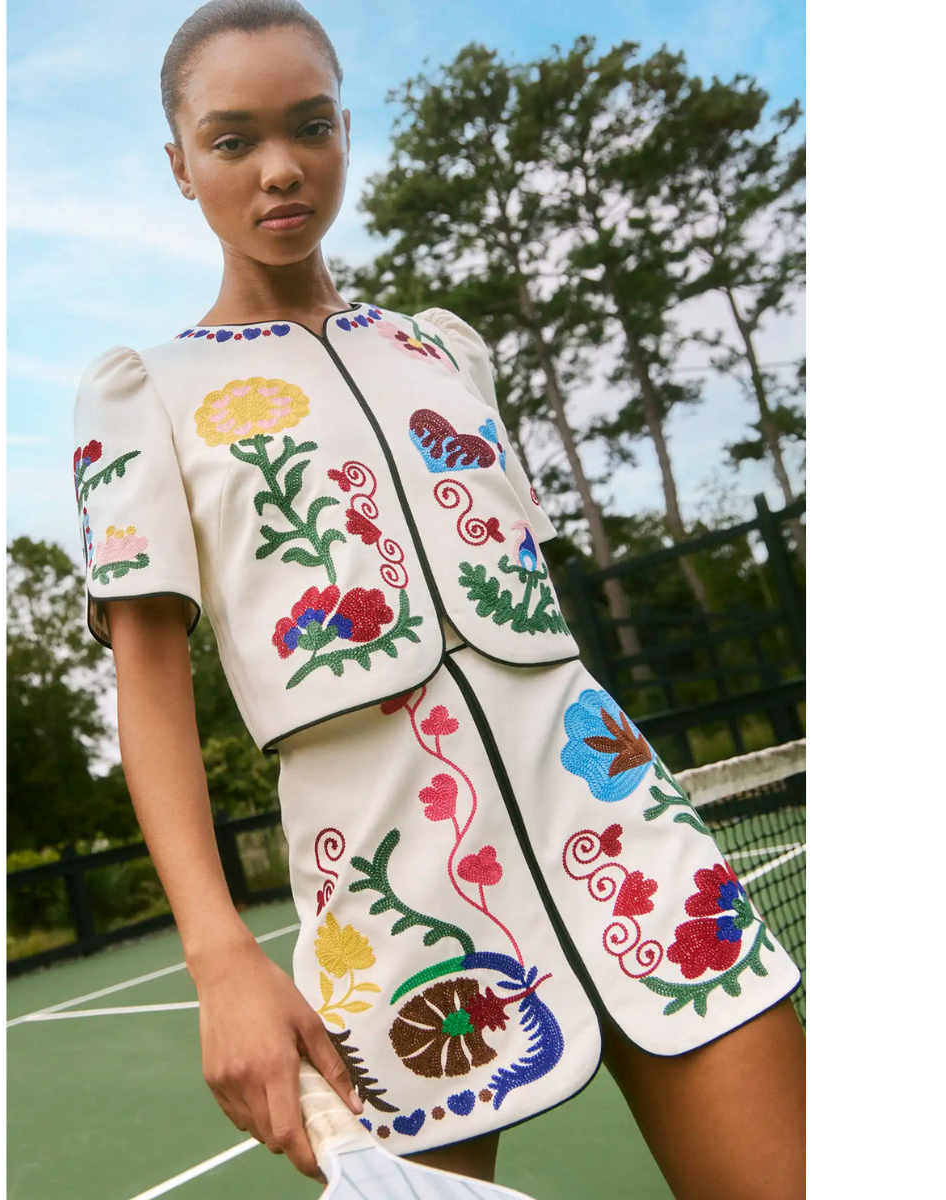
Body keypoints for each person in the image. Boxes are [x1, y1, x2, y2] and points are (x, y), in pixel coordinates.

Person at [71, 2, 806, 1195]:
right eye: (232, 140)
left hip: (629, 839)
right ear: (179, 164)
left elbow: (536, 608)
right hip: (393, 907)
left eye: (311, 126)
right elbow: (148, 694)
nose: (279, 168)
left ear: (344, 131)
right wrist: (220, 959)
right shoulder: (142, 394)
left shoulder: (445, 354)